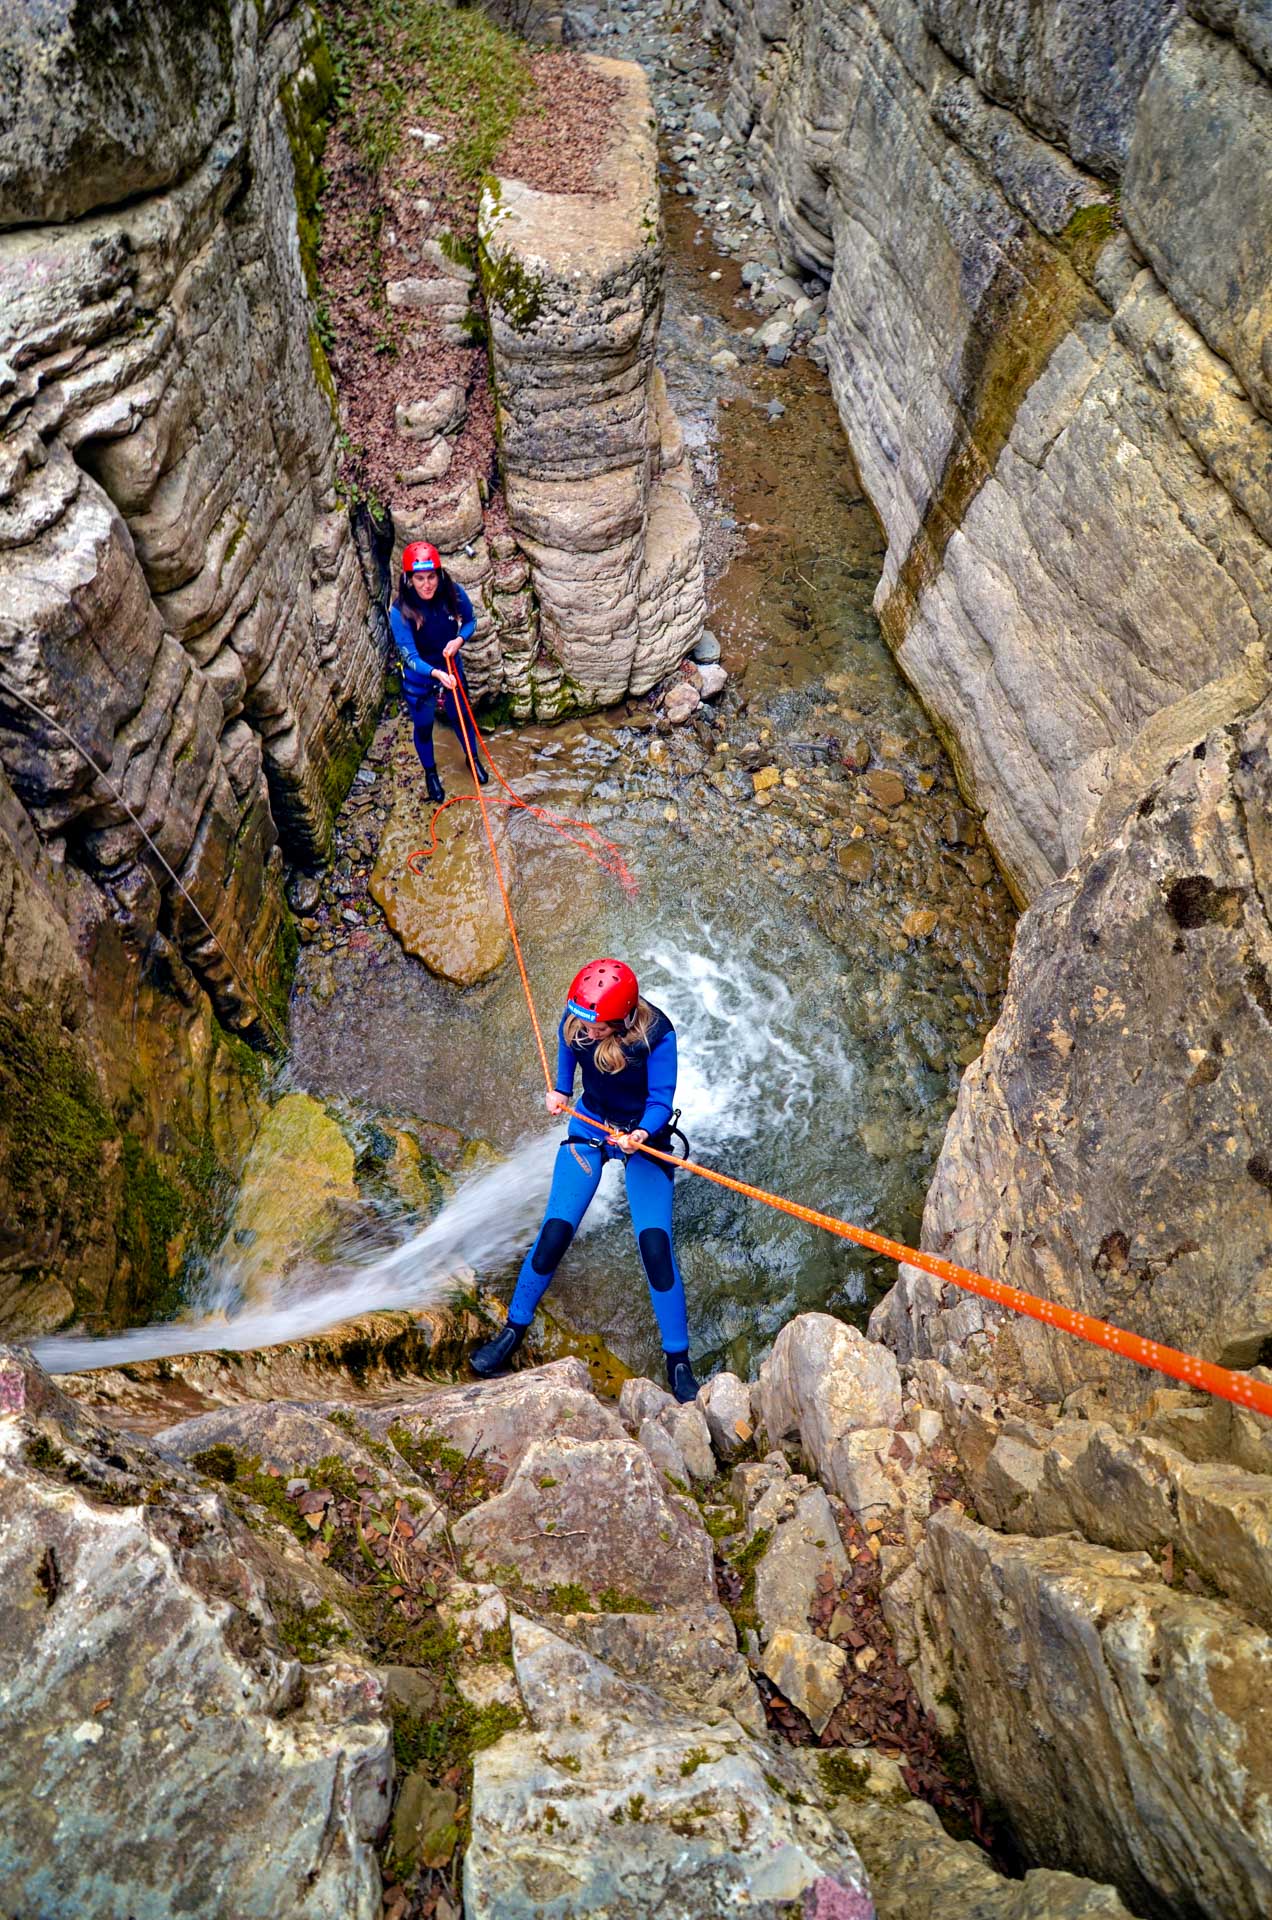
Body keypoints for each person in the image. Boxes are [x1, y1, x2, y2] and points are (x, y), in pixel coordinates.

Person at [470, 958, 701, 1403]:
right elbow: (566, 1042)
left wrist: (640, 1134)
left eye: (597, 1030)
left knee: (655, 1246)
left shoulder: (658, 1037)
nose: (585, 1032)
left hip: (640, 1135)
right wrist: (561, 1089)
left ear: (623, 1020)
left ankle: (678, 1361)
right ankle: (513, 1330)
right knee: (556, 1231)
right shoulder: (581, 1015)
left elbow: (660, 1099)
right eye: (583, 1024)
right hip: (591, 1126)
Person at [389, 540, 489, 802]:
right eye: (419, 578)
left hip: (450, 668)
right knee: (423, 727)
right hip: (420, 678)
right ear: (409, 579)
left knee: (462, 717)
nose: (427, 584)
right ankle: (431, 774)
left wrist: (458, 641)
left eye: (431, 576)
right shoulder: (401, 610)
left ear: (439, 574)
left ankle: (472, 758)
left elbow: (470, 621)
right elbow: (409, 655)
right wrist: (435, 674)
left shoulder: (451, 593)